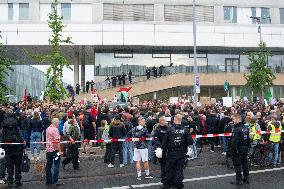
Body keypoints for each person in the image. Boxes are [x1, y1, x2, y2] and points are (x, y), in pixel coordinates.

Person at [162, 114, 193, 189]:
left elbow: (165, 143)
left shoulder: (169, 129)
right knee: (179, 170)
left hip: (171, 153)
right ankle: (178, 185)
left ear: (175, 119)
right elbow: (190, 142)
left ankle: (167, 185)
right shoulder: (185, 130)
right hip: (181, 153)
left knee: (169, 169)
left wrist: (163, 154)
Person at [1, 111, 25, 187]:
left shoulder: (4, 124)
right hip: (17, 147)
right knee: (17, 165)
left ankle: (10, 181)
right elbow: (20, 135)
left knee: (9, 165)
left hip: (8, 148)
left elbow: (2, 136)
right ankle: (17, 181)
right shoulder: (16, 124)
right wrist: (23, 143)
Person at [230, 113, 250, 186]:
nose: (233, 121)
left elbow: (234, 141)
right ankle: (246, 178)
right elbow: (248, 139)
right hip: (244, 148)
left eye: (233, 119)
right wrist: (248, 147)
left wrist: (231, 150)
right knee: (245, 164)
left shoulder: (236, 129)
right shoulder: (245, 127)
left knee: (237, 165)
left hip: (237, 150)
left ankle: (239, 180)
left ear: (238, 119)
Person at [45, 118, 63, 187]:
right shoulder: (55, 130)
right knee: (57, 165)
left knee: (48, 165)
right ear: (56, 123)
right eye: (58, 123)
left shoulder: (48, 129)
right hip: (55, 151)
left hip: (48, 150)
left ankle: (48, 180)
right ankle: (55, 181)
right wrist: (60, 151)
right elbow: (56, 142)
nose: (58, 125)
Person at [153, 116, 168, 185]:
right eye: (165, 121)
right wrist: (161, 148)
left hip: (169, 150)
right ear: (161, 121)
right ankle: (164, 180)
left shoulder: (169, 128)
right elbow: (156, 141)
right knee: (163, 165)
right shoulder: (157, 129)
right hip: (161, 150)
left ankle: (168, 179)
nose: (167, 122)